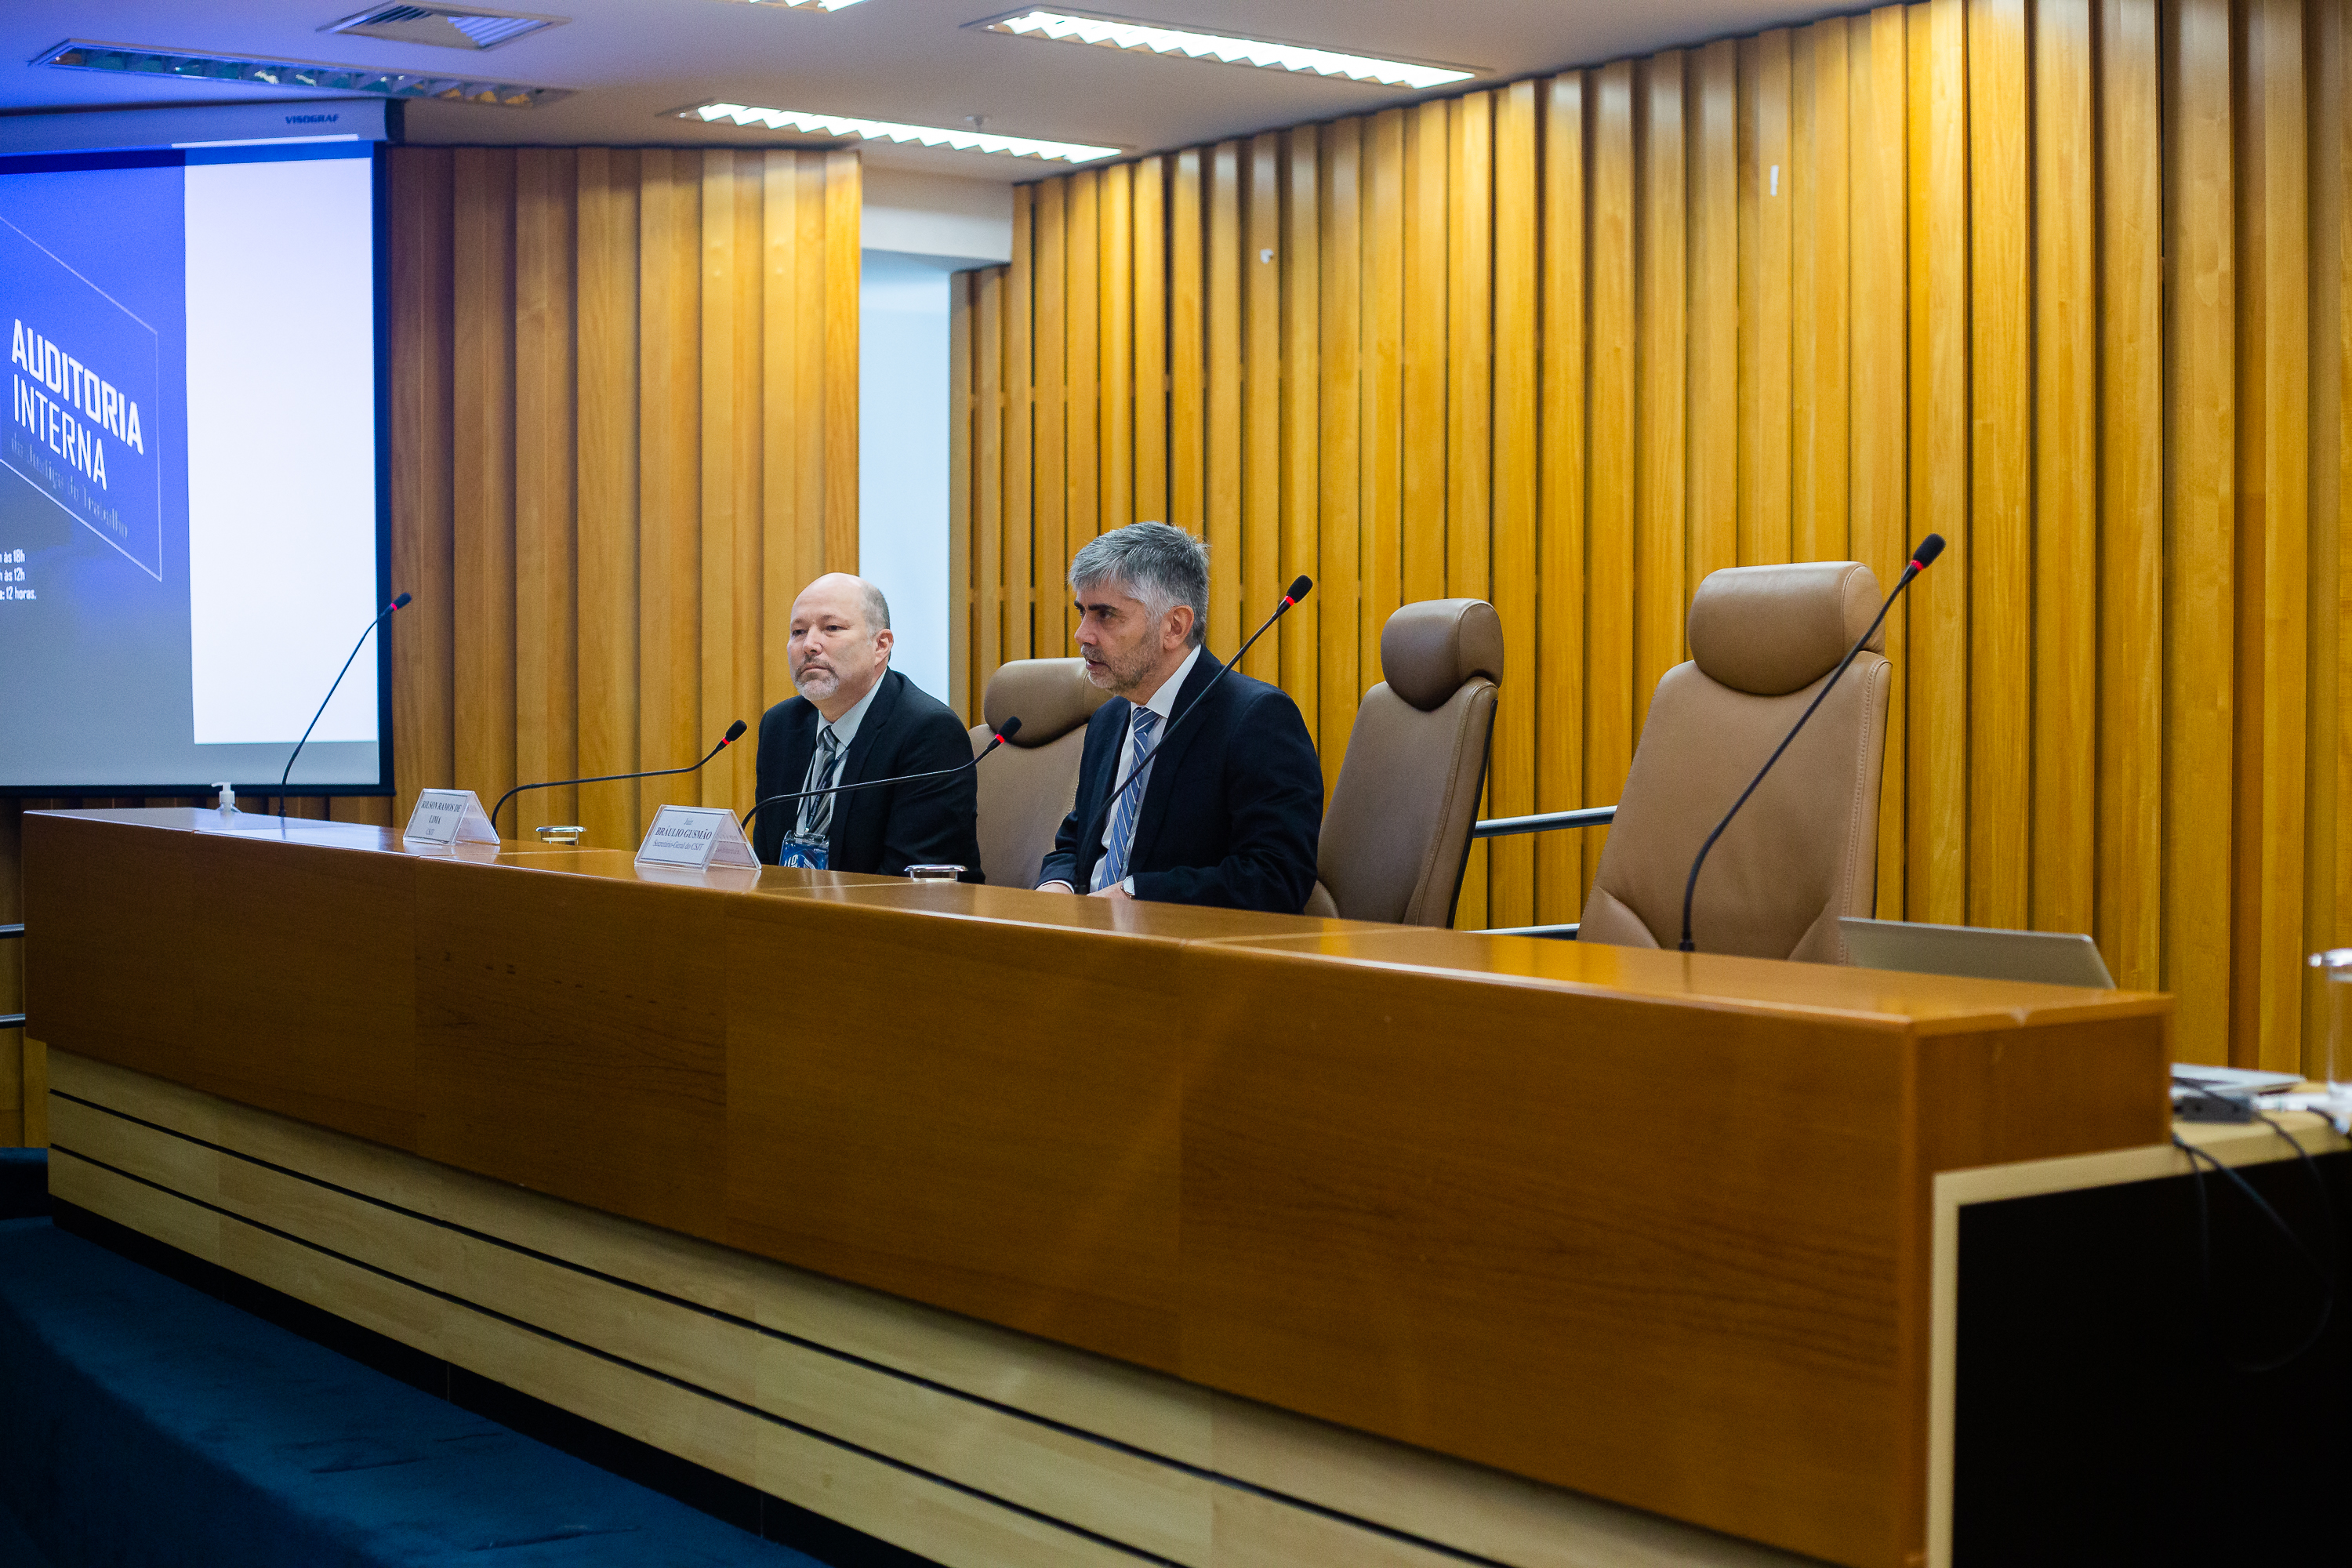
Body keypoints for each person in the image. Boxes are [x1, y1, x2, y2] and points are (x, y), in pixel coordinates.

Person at [1035, 523, 1322, 913]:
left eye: (1105, 615)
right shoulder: (1109, 719)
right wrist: (1057, 887)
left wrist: (1133, 895)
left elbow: (1276, 877)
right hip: (1085, 944)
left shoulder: (1255, 720)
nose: (1082, 634)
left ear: (1174, 626)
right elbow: (1076, 840)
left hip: (1181, 958)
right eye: (1083, 612)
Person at [750, 573, 982, 880]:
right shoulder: (781, 726)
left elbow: (909, 879)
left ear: (881, 645)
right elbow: (766, 862)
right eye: (798, 631)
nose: (809, 645)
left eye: (832, 628)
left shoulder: (928, 732)